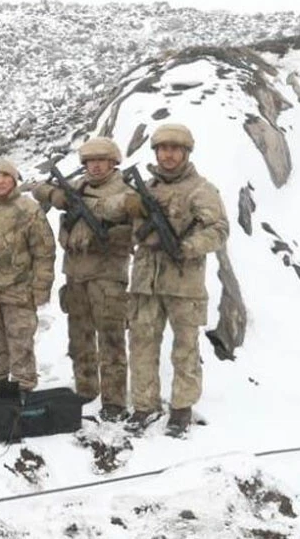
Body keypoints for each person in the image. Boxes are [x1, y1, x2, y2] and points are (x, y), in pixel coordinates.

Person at [96, 124, 229, 437]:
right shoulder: (145, 188)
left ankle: (181, 408)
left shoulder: (201, 189)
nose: (168, 155)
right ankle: (144, 406)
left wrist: (187, 247)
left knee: (185, 349)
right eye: (162, 149)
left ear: (185, 152)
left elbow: (219, 230)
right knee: (141, 345)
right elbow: (109, 208)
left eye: (175, 149)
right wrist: (129, 204)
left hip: (184, 282)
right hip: (145, 280)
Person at [32, 137, 133, 422]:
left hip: (108, 278)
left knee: (111, 341)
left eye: (102, 160)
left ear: (114, 162)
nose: (96, 166)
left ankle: (114, 401)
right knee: (79, 339)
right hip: (76, 276)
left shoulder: (126, 192)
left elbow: (135, 228)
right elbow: (39, 189)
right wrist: (57, 197)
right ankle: (87, 390)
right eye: (90, 161)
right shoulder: (78, 187)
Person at [0, 158, 55, 402]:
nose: (1, 180)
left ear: (14, 180)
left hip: (19, 292)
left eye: (6, 175)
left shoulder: (29, 209)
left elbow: (44, 251)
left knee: (21, 343)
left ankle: (24, 391)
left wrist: (41, 289)